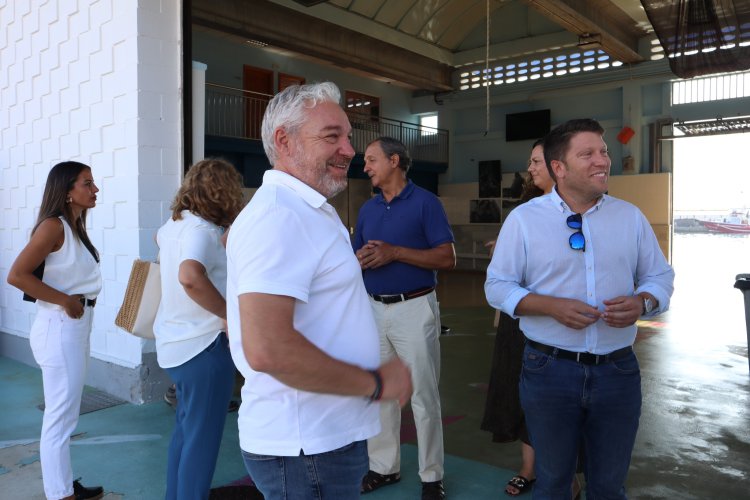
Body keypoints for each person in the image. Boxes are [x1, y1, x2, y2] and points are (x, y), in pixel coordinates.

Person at [225, 82, 413, 500]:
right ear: (283, 140)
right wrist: (375, 383)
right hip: (305, 445)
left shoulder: (307, 210)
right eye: (332, 136)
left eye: (348, 136)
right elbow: (268, 350)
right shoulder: (279, 217)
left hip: (322, 439)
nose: (349, 150)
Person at [485, 118, 675, 498]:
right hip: (548, 370)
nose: (602, 160)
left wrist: (643, 301)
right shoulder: (524, 220)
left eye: (603, 151)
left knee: (608, 484)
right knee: (554, 481)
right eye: (587, 154)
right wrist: (549, 306)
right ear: (559, 168)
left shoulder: (629, 217)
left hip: (617, 371)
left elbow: (660, 276)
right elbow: (497, 286)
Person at [353, 137, 456, 500]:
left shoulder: (427, 204)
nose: (365, 167)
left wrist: (396, 253)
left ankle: (432, 476)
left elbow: (446, 258)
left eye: (371, 160)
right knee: (380, 392)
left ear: (394, 161)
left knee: (424, 395)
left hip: (415, 308)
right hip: (373, 309)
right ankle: (384, 468)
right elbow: (355, 259)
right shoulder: (367, 210)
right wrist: (364, 258)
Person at [7, 161, 104, 500]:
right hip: (60, 328)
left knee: (65, 416)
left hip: (74, 327)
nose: (95, 190)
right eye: (87, 183)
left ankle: (62, 484)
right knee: (60, 419)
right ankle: (60, 494)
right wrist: (65, 300)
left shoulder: (73, 226)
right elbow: (17, 275)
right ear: (66, 191)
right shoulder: (53, 226)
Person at [154, 158, 245, 500]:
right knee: (202, 443)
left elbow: (160, 241)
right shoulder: (201, 231)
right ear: (223, 191)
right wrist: (228, 314)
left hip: (176, 346)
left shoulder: (173, 226)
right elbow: (190, 276)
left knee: (186, 434)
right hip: (203, 347)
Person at [481, 139, 557, 497]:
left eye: (537, 161)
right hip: (520, 314)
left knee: (557, 398)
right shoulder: (525, 208)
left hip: (557, 315)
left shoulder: (583, 208)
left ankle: (563, 473)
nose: (531, 167)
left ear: (558, 163)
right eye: (531, 161)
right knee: (520, 389)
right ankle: (528, 467)